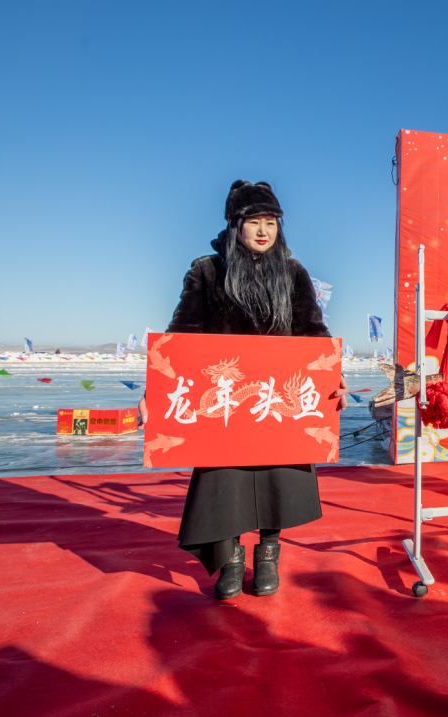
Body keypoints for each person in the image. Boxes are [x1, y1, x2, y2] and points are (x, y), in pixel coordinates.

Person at [139, 180, 349, 599]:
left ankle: (268, 553)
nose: (263, 231)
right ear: (234, 223)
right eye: (254, 222)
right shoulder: (206, 270)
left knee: (279, 475)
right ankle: (231, 557)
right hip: (225, 400)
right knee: (225, 480)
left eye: (271, 222)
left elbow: (313, 333)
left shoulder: (293, 272)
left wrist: (332, 377)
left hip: (277, 397)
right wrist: (155, 391)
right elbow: (181, 336)